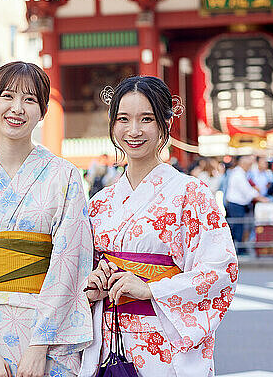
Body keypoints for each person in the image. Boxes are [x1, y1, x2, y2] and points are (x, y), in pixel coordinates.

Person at [81, 76, 238, 377]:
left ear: (166, 123)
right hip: (109, 341)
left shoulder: (191, 193)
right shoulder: (100, 203)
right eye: (123, 119)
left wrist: (151, 288)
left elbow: (220, 272)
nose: (134, 131)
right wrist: (92, 282)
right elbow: (77, 271)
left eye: (147, 119)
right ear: (113, 125)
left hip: (165, 344)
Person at [0, 61, 93, 377]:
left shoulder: (64, 177)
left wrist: (39, 346)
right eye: (8, 96)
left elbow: (70, 262)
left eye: (30, 100)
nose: (17, 108)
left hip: (48, 338)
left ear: (42, 112)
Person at [224, 156, 267, 255]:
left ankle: (239, 248)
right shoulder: (238, 174)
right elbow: (247, 191)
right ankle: (239, 249)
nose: (250, 167)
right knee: (238, 227)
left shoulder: (239, 173)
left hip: (237, 204)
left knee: (238, 227)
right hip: (236, 204)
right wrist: (260, 198)